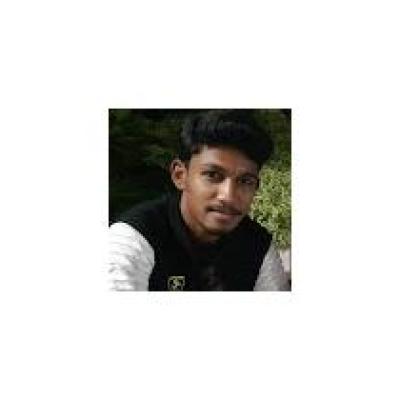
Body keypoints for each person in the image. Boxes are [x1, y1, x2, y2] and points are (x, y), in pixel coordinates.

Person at [109, 110, 289, 291]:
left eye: (245, 181)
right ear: (180, 175)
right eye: (213, 175)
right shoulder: (135, 240)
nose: (228, 195)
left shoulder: (256, 245)